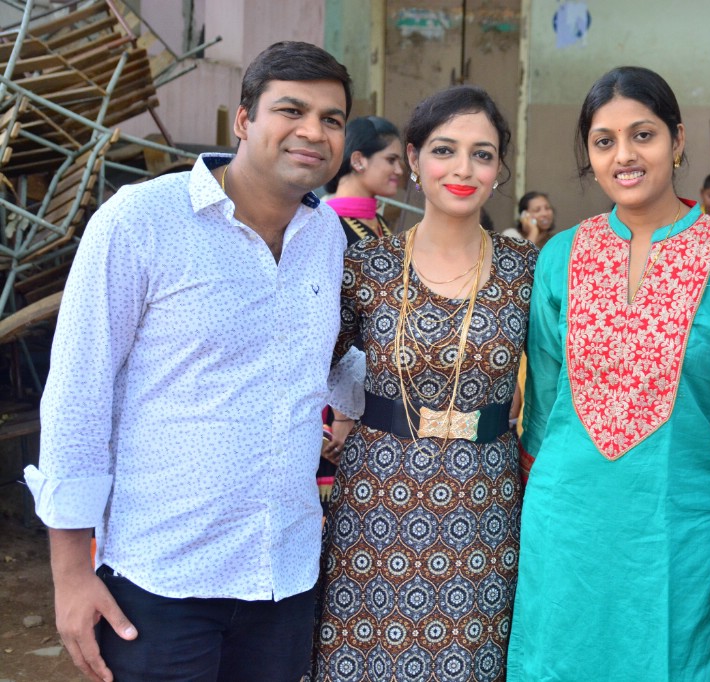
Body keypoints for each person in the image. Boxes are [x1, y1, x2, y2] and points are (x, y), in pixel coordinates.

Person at [22, 41, 359, 682]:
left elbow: (331, 358)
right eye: (291, 110)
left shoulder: (328, 238)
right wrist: (70, 576)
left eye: (332, 119)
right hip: (161, 580)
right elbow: (77, 393)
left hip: (282, 577)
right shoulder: (142, 221)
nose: (313, 132)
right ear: (243, 120)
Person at [507, 66, 710, 681]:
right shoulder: (560, 256)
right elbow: (542, 396)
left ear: (677, 142)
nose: (624, 155)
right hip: (568, 512)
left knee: (675, 657)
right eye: (604, 141)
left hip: (680, 515)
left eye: (642, 135)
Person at [311, 85, 537, 681]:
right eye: (445, 150)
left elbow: (572, 373)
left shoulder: (528, 272)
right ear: (413, 159)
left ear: (498, 170)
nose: (463, 169)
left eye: (482, 154)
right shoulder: (368, 266)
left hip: (483, 505)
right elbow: (304, 365)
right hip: (376, 503)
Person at [323, 115, 403, 244]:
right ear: (358, 161)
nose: (399, 171)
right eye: (391, 160)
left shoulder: (378, 221)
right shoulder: (324, 226)